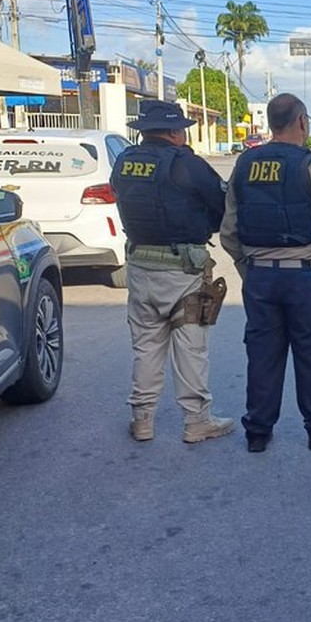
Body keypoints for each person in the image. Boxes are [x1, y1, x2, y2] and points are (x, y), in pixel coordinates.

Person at [220, 93, 311, 453]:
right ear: (301, 122)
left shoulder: (244, 165)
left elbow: (229, 232)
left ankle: (258, 433)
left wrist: (249, 269)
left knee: (262, 354)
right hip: (306, 279)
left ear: (270, 124)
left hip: (260, 278)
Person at [109, 99, 234, 444]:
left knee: (146, 346)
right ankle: (197, 422)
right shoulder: (187, 165)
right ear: (176, 132)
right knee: (191, 347)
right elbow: (223, 206)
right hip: (183, 271)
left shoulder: (124, 161)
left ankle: (142, 421)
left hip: (139, 266)